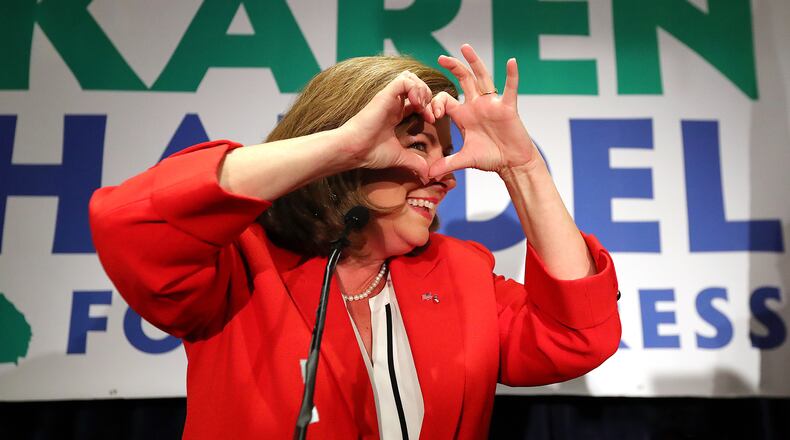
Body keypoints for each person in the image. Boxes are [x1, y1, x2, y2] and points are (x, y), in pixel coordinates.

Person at [90, 44, 620, 439]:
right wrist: (341, 145)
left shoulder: (460, 271)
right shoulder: (241, 263)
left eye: (444, 151)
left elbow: (576, 336)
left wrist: (523, 167)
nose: (443, 173)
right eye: (417, 145)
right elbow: (130, 226)